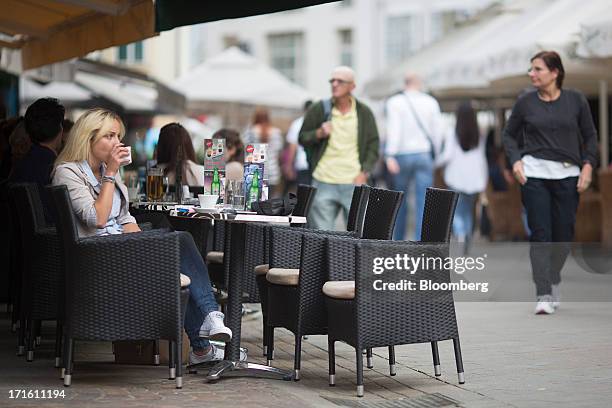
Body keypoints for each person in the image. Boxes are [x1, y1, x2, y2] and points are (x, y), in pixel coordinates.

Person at [52, 108, 245, 364]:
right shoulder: (68, 172)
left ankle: (204, 340)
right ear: (88, 138)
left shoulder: (105, 168)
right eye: (110, 136)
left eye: (118, 136)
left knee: (176, 247)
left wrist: (144, 245)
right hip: (97, 258)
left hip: (120, 247)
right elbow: (96, 218)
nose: (117, 143)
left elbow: (124, 218)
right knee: (181, 242)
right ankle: (206, 332)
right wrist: (110, 174)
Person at [503, 51, 598, 315]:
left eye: (537, 69)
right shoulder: (525, 102)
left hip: (568, 176)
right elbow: (509, 136)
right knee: (541, 234)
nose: (531, 74)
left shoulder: (576, 100)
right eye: (531, 69)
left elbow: (590, 137)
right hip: (534, 175)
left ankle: (554, 277)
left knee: (564, 235)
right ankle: (543, 292)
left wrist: (588, 166)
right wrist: (516, 161)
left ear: (555, 72)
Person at [299, 66, 379, 231]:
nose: (334, 84)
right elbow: (302, 137)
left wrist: (364, 172)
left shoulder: (364, 113)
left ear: (352, 86)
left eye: (340, 81)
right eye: (332, 80)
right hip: (323, 181)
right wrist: (319, 133)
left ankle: (348, 258)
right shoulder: (319, 109)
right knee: (321, 237)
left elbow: (373, 144)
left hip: (353, 182)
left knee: (356, 237)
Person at [385, 73, 444, 240]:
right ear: (420, 83)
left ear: (405, 83)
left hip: (401, 155)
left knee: (400, 200)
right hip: (424, 154)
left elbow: (393, 130)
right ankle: (421, 241)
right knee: (424, 202)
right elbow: (438, 132)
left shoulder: (394, 102)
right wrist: (436, 155)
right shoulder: (431, 102)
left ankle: (398, 240)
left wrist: (389, 155)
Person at [439, 101, 487, 250]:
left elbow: (446, 156)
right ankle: (467, 234)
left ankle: (461, 234)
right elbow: (482, 157)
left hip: (455, 177)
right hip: (474, 178)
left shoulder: (452, 132)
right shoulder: (479, 134)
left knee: (457, 211)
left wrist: (435, 163)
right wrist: (484, 178)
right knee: (469, 210)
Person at [10, 98, 65, 222]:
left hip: (29, 239)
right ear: (60, 129)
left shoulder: (19, 166)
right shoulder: (57, 169)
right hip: (56, 238)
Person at [243, 108, 283, 197]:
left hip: (254, 172)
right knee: (269, 202)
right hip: (272, 171)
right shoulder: (276, 132)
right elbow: (278, 151)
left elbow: (245, 149)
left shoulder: (251, 131)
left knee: (254, 201)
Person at [285, 100, 313, 187]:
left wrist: (289, 166)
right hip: (315, 166)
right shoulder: (319, 123)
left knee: (304, 197)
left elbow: (292, 147)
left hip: (302, 164)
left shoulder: (297, 124)